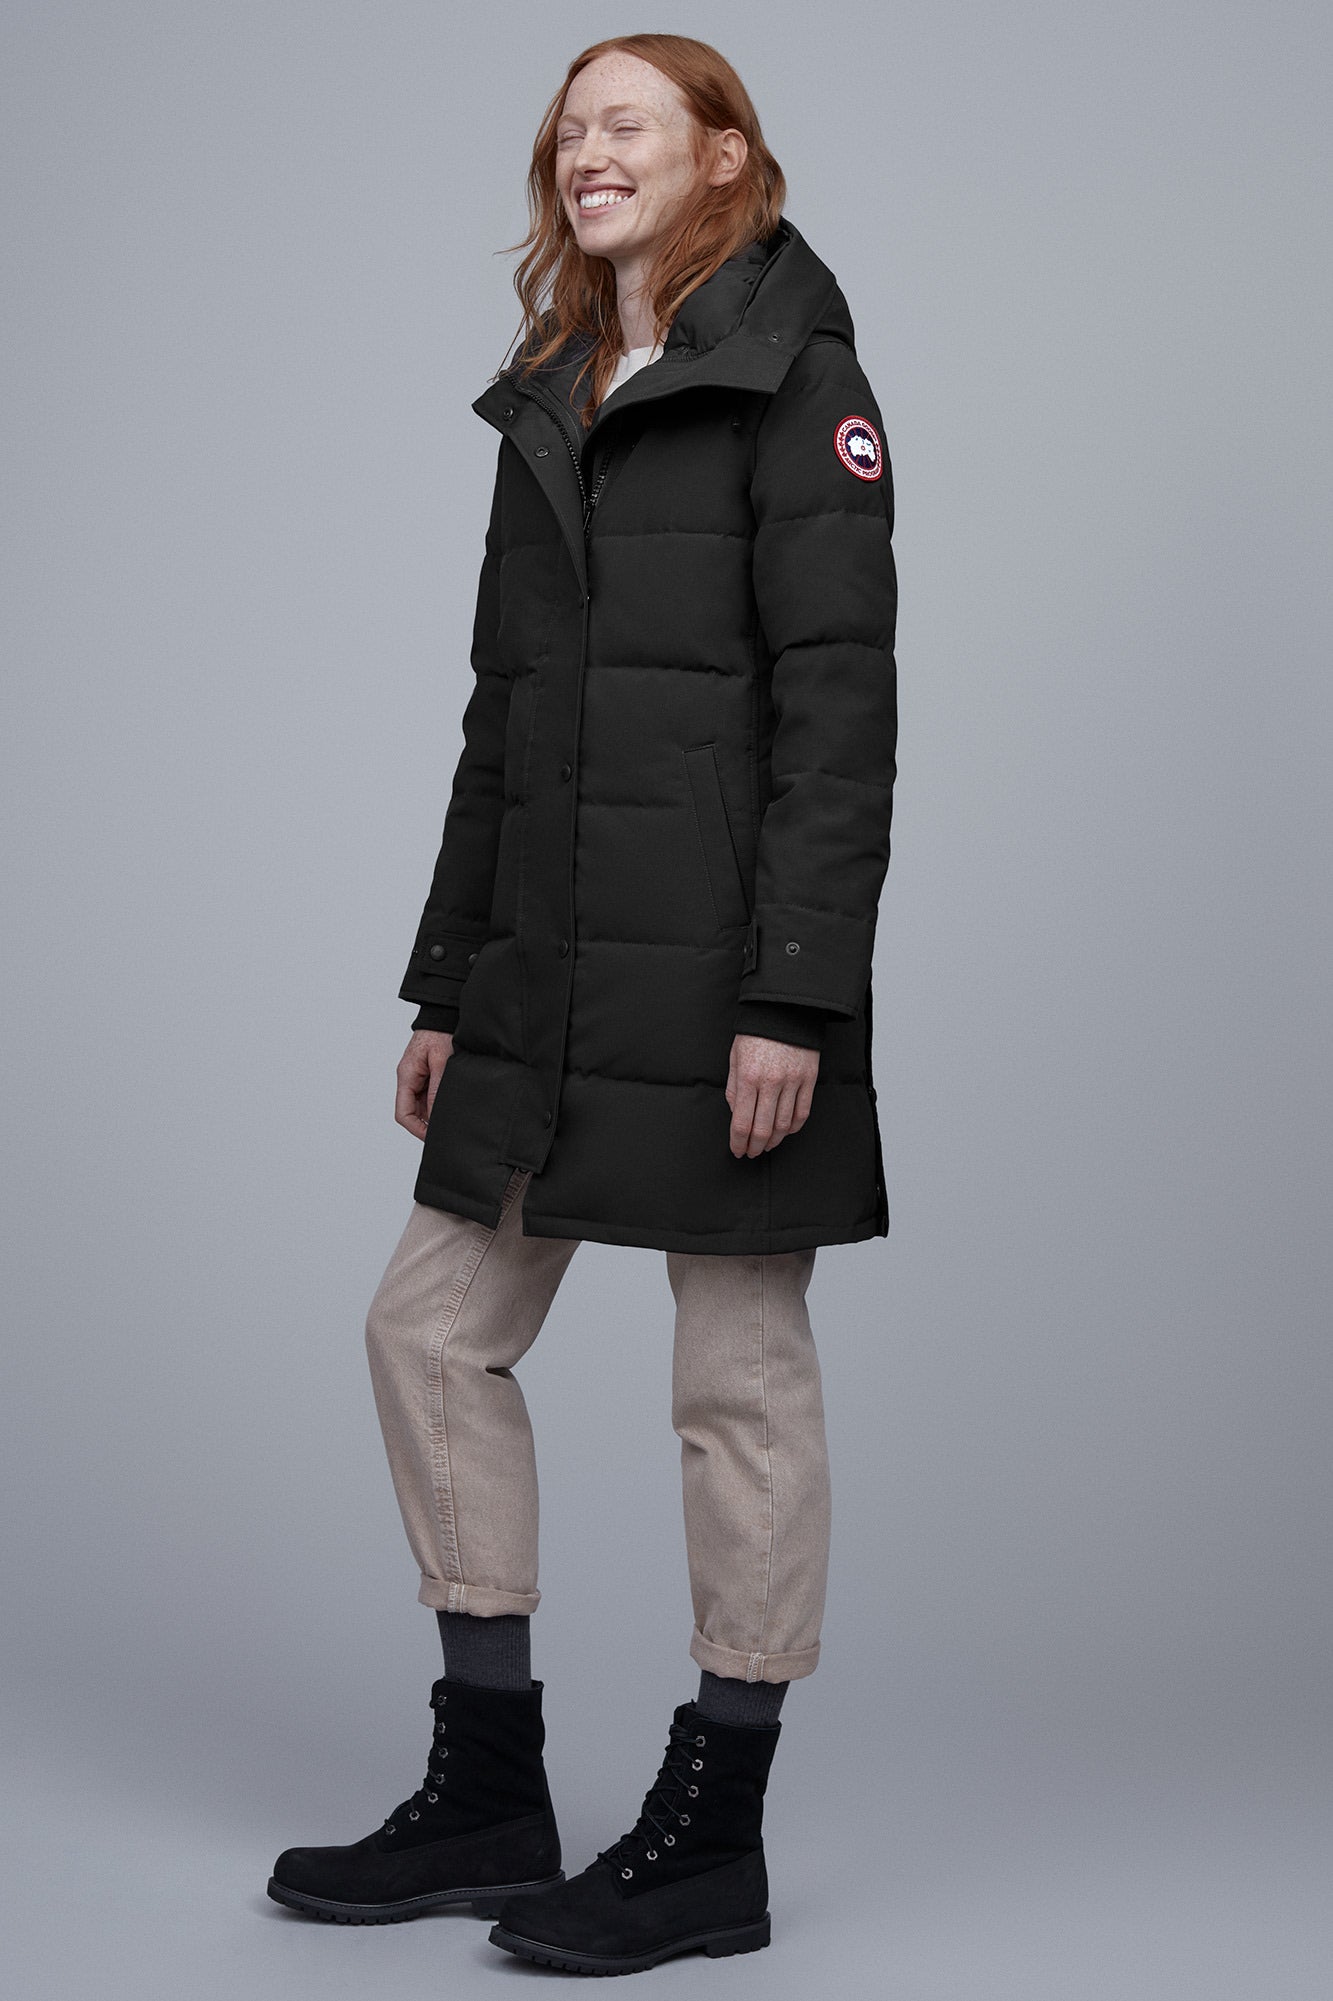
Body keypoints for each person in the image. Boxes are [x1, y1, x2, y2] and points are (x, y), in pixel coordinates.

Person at [267, 31, 897, 1976]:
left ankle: (715, 1830)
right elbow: (503, 722)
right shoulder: (551, 392)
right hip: (538, 972)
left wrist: (795, 996)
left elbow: (840, 720)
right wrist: (446, 976)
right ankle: (490, 1781)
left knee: (736, 1381)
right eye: (566, 129)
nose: (583, 150)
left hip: (724, 981)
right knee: (424, 1329)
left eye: (625, 121)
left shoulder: (800, 379)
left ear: (724, 155)